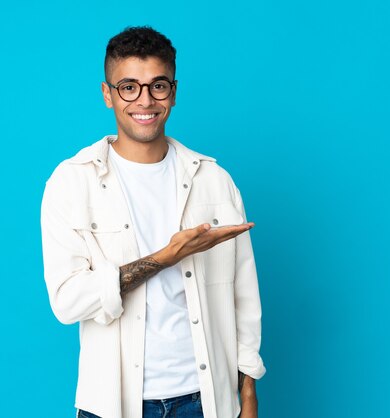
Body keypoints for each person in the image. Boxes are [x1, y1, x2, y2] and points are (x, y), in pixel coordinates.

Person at [41, 26, 265, 418]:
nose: (144, 100)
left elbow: (244, 298)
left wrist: (248, 394)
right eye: (128, 86)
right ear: (107, 94)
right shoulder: (72, 182)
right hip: (112, 404)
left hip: (206, 400)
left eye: (157, 86)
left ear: (173, 92)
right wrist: (165, 257)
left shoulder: (214, 181)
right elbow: (67, 301)